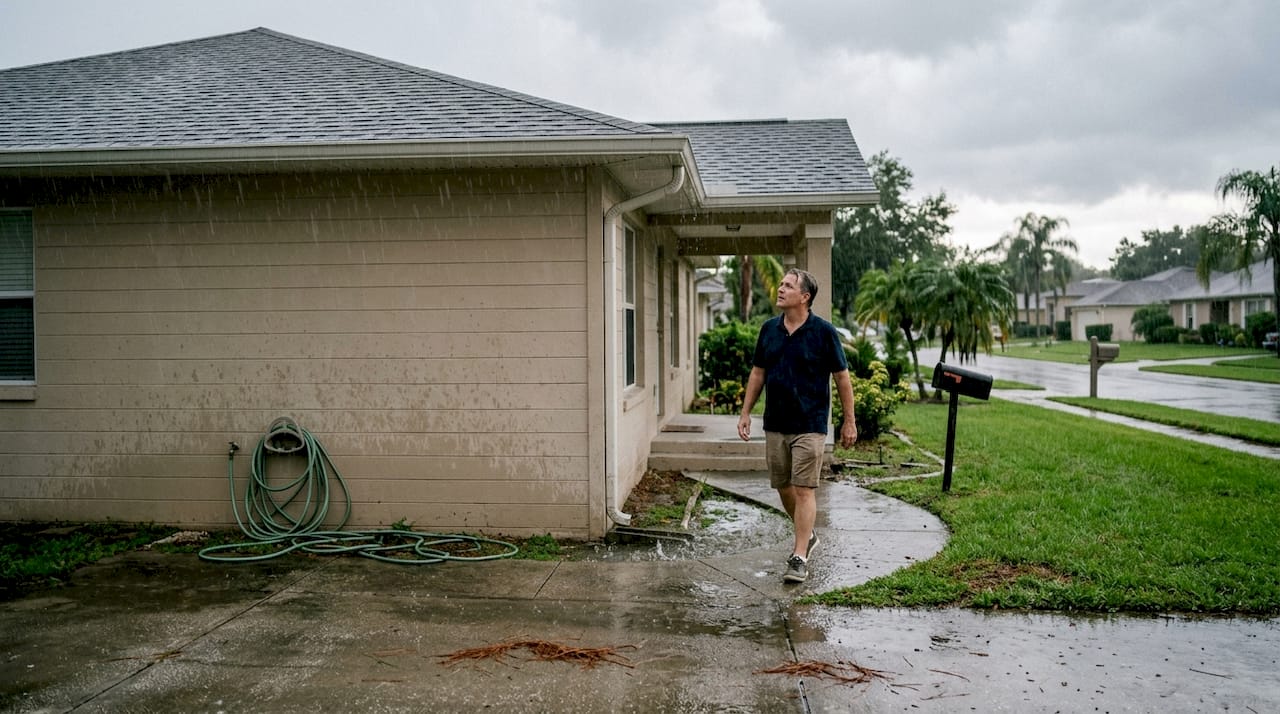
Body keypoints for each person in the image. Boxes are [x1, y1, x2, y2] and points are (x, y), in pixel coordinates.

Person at [737, 268, 857, 584]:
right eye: (781, 284)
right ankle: (808, 534)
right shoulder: (769, 330)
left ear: (804, 297)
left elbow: (842, 378)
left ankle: (799, 555)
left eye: (788, 286)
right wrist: (746, 412)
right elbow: (758, 373)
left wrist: (849, 421)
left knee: (804, 488)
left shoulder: (824, 332)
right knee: (782, 485)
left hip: (810, 423)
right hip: (775, 421)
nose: (780, 289)